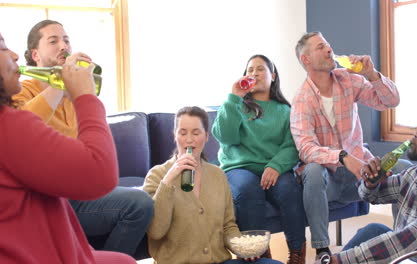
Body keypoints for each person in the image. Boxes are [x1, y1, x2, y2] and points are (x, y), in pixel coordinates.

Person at [12, 19, 153, 257]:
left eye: (66, 39)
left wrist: (81, 92)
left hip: (76, 191)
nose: (63, 45)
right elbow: (20, 128)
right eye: (53, 41)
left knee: (142, 202)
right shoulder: (22, 91)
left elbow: (94, 150)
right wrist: (60, 83)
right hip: (47, 197)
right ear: (35, 54)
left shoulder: (74, 95)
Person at [290, 32, 411, 261]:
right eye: (320, 47)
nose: (328, 50)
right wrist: (343, 157)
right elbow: (306, 148)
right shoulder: (302, 100)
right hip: (331, 180)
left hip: (362, 174)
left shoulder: (348, 80)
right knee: (313, 170)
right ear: (306, 60)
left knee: (404, 168)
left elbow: (391, 101)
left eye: (328, 44)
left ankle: (402, 241)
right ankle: (322, 251)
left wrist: (372, 75)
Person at [321, 108, 417, 264]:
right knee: (373, 230)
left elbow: (409, 240)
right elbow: (370, 196)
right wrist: (371, 183)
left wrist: (340, 260)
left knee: (385, 246)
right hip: (409, 257)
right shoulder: (415, 174)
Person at [142, 106, 283, 264]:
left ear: (206, 136)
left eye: (196, 133)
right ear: (175, 135)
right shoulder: (157, 176)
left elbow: (228, 226)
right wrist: (168, 180)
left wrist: (244, 248)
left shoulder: (218, 175)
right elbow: (156, 231)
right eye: (183, 133)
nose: (189, 139)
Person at [212, 55, 307, 264]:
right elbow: (226, 136)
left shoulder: (285, 111)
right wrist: (233, 97)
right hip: (239, 167)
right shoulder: (235, 104)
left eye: (260, 69)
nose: (253, 73)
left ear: (272, 76)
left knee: (290, 189)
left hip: (273, 167)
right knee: (247, 189)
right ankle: (259, 254)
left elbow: (292, 145)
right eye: (249, 70)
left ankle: (297, 254)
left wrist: (275, 166)